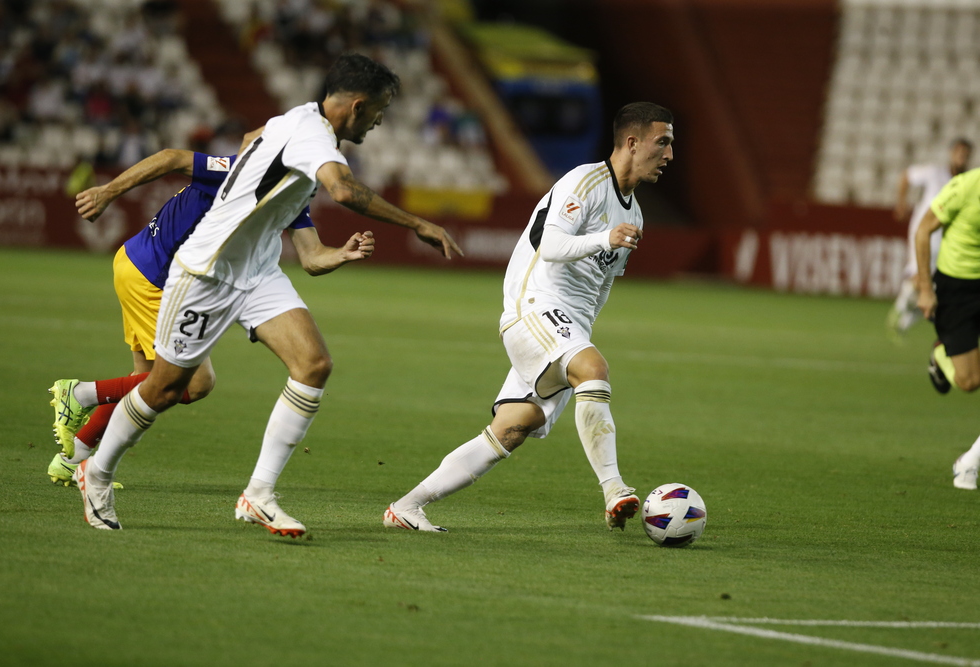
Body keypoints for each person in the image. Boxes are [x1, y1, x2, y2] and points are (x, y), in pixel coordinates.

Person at [74, 53, 462, 533]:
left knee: (313, 365)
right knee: (167, 388)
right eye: (380, 110)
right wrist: (418, 222)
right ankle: (97, 472)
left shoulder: (293, 120)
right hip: (207, 271)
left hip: (258, 272)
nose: (380, 121)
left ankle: (258, 496)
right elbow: (342, 191)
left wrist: (334, 252)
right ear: (358, 105)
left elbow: (259, 155)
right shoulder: (313, 138)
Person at [383, 102, 673, 532]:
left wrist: (583, 330)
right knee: (594, 369)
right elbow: (552, 246)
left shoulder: (634, 213)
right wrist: (602, 237)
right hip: (534, 304)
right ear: (632, 142)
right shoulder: (584, 181)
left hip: (569, 324)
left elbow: (604, 283)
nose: (669, 155)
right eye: (662, 142)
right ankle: (614, 489)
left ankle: (406, 507)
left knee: (515, 427)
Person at [47, 141, 375, 487]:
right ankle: (79, 393)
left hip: (139, 263)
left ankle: (74, 458)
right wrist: (108, 191)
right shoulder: (247, 171)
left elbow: (311, 256)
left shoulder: (293, 194)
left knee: (143, 386)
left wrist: (340, 255)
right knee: (194, 382)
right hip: (155, 275)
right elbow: (172, 157)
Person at [915, 166, 980, 490]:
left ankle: (970, 463)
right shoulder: (966, 187)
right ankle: (940, 354)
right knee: (970, 381)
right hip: (957, 290)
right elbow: (923, 229)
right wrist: (926, 288)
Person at [887, 138, 972, 340]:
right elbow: (906, 176)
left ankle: (904, 316)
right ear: (952, 153)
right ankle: (902, 307)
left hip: (947, 239)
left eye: (966, 154)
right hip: (924, 232)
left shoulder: (967, 180)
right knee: (920, 279)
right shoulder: (934, 173)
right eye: (959, 153)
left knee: (936, 288)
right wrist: (901, 203)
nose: (962, 157)